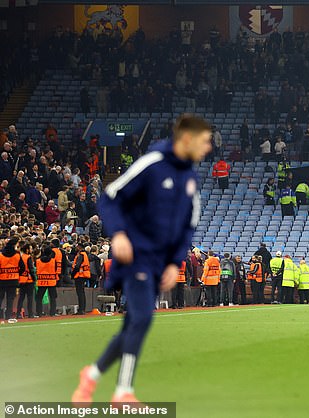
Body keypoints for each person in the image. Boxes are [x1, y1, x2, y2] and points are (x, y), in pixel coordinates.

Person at [72, 114, 212, 405]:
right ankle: (123, 391)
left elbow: (189, 225)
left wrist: (175, 263)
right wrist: (119, 234)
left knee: (132, 325)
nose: (208, 147)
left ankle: (92, 375)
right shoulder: (152, 164)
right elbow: (110, 195)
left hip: (159, 262)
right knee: (143, 318)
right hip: (135, 255)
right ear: (186, 139)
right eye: (204, 141)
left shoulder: (190, 177)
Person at [0, 237, 25, 320]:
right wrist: (17, 274)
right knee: (10, 299)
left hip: (2, 280)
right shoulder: (17, 255)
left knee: (0, 298)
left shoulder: (0, 255)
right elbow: (23, 267)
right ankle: (8, 316)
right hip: (13, 280)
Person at [16, 241, 36, 318]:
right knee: (30, 298)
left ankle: (18, 314)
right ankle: (30, 314)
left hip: (21, 279)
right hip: (29, 280)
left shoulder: (21, 257)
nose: (31, 250)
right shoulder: (28, 257)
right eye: (30, 249)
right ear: (27, 250)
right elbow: (31, 269)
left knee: (21, 298)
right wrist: (34, 279)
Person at [71, 245, 91, 315]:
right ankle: (82, 309)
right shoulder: (85, 255)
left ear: (80, 248)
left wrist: (72, 274)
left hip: (80, 275)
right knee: (82, 293)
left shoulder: (81, 255)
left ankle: (81, 310)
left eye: (77, 247)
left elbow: (77, 266)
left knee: (80, 293)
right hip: (83, 276)